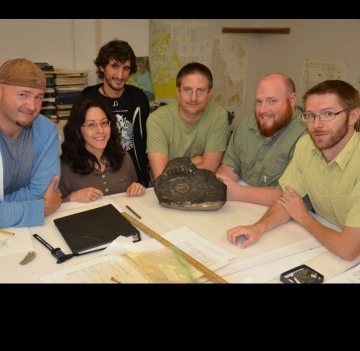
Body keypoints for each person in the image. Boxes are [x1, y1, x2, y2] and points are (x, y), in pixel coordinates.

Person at [227, 80, 360, 261]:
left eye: (328, 114)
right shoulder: (306, 144)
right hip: (330, 243)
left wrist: (304, 217)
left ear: (353, 116)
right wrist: (258, 228)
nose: (317, 124)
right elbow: (287, 200)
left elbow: (348, 249)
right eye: (311, 115)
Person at [0, 58, 62, 231]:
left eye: (38, 97)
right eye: (23, 95)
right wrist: (39, 208)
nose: (32, 106)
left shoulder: (47, 131)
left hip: (32, 230)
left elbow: (42, 192)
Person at [216, 73, 307, 205]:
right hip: (242, 205)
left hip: (282, 213)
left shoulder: (306, 135)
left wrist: (238, 192)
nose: (263, 110)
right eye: (259, 102)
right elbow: (231, 165)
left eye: (272, 101)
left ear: (292, 100)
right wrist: (220, 185)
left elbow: (292, 195)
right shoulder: (248, 121)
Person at [81, 39, 151, 187]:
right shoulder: (88, 98)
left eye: (125, 68)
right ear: (102, 67)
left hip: (137, 181)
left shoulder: (139, 98)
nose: (120, 75)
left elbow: (146, 140)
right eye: (114, 66)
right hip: (99, 181)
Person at [147, 62, 230, 181]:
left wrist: (173, 169)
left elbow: (208, 170)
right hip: (162, 191)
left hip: (201, 185)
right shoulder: (157, 120)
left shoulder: (218, 116)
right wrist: (193, 161)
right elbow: (161, 178)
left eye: (200, 90)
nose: (193, 98)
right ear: (178, 91)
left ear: (210, 94)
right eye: (187, 90)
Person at [59, 98, 145, 202]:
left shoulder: (123, 157)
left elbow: (133, 191)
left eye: (104, 123)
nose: (100, 130)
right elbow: (53, 208)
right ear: (78, 131)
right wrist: (71, 197)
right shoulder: (64, 167)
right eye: (91, 124)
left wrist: (136, 188)